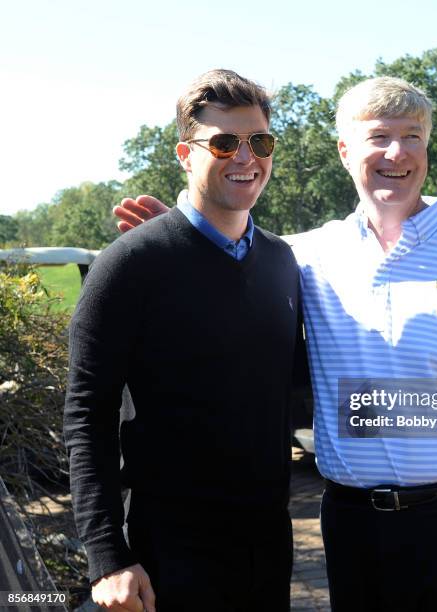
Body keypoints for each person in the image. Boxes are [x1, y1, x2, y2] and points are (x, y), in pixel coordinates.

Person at [115, 76, 437, 612]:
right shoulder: (306, 257)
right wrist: (181, 238)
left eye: (412, 136)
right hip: (355, 530)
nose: (397, 153)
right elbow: (232, 255)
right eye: (379, 137)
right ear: (344, 151)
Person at [64, 69, 306, 612]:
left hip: (268, 549)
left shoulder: (281, 262)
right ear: (184, 153)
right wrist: (107, 558)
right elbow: (86, 416)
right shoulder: (129, 264)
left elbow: (292, 386)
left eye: (259, 142)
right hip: (168, 555)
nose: (245, 157)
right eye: (223, 142)